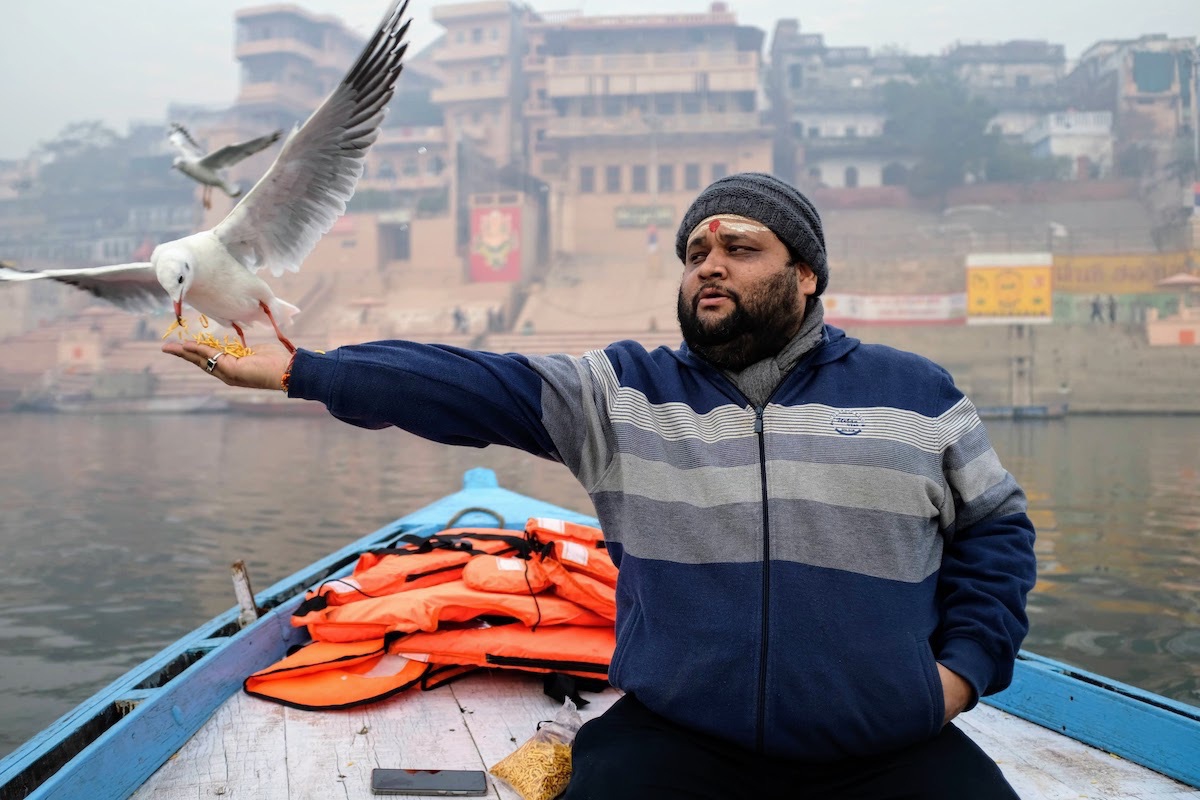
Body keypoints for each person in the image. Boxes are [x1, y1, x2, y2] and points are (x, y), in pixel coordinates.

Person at [164, 172, 1036, 799]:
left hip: (886, 744)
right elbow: (467, 385)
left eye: (740, 247)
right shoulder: (624, 394)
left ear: (806, 275)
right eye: (696, 250)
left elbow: (995, 532)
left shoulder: (915, 394)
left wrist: (957, 677)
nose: (709, 265)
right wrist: (305, 372)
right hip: (682, 741)